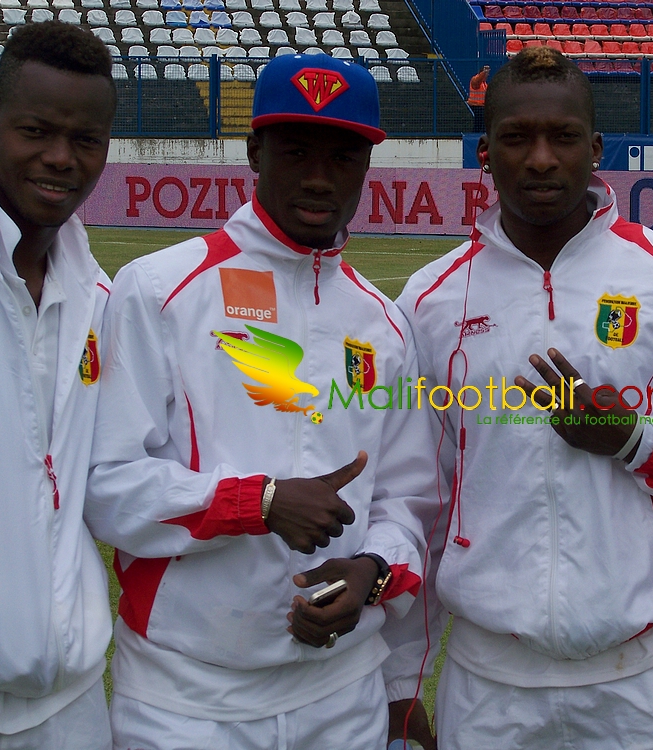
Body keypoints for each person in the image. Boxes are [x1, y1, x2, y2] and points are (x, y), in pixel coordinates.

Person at [395, 47, 653, 748]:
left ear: (594, 149)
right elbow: (417, 499)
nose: (540, 159)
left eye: (562, 137)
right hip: (490, 683)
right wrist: (401, 680)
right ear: (484, 153)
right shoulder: (430, 301)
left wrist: (637, 441)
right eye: (516, 138)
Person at [85, 54, 439, 749]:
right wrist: (261, 502)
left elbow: (408, 500)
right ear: (254, 152)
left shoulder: (384, 324)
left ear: (367, 165)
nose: (319, 177)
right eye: (296, 151)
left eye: (342, 156)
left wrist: (370, 573)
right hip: (184, 701)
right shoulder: (158, 289)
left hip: (342, 696)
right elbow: (108, 485)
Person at [0, 21, 117, 749]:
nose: (61, 158)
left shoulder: (99, 297)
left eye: (86, 139)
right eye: (36, 131)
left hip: (72, 702)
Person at [467, 65, 489, 132]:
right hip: (476, 105)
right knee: (479, 122)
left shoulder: (484, 84)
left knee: (480, 123)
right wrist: (484, 72)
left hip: (481, 105)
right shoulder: (475, 80)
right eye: (486, 74)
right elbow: (478, 80)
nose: (487, 75)